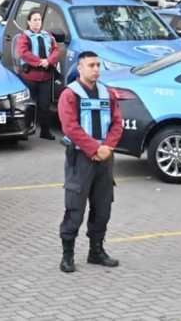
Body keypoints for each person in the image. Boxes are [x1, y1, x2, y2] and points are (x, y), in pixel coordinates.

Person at [57, 51, 123, 273]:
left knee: (103, 207)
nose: (96, 69)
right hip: (80, 159)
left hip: (104, 159)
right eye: (91, 65)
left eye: (98, 65)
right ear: (80, 68)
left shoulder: (107, 93)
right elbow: (70, 127)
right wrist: (94, 148)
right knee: (75, 207)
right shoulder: (69, 95)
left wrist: (107, 148)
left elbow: (117, 123)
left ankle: (96, 251)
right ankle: (67, 256)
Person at [16, 8, 60, 140]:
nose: (37, 23)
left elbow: (56, 51)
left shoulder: (48, 36)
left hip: (46, 76)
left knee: (44, 105)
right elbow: (23, 52)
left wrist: (49, 61)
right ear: (29, 22)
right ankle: (25, 131)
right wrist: (39, 62)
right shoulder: (25, 36)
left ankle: (45, 131)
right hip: (30, 76)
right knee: (28, 105)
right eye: (34, 20)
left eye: (39, 20)